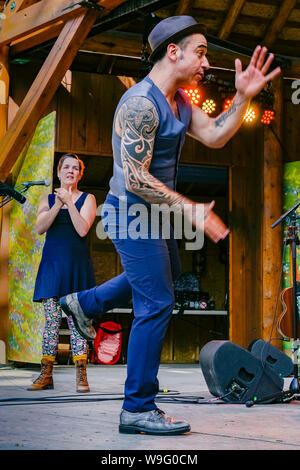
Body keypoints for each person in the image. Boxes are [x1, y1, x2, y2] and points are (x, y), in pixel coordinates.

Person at [60, 16, 281, 434]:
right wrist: (191, 209)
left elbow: (215, 134)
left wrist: (244, 97)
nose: (206, 61)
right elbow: (136, 177)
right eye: (200, 51)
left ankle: (85, 303)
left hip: (155, 214)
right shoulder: (141, 103)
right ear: (173, 51)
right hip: (129, 214)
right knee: (157, 301)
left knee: (169, 274)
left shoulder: (180, 101)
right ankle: (136, 407)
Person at [28, 153, 97, 393]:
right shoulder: (47, 199)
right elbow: (40, 227)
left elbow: (82, 230)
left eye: (75, 168)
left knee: (78, 322)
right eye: (66, 167)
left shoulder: (88, 199)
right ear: (58, 172)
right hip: (52, 269)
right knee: (51, 323)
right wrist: (60, 201)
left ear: (80, 173)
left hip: (77, 269)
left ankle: (81, 374)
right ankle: (46, 373)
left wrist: (70, 201)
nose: (70, 171)